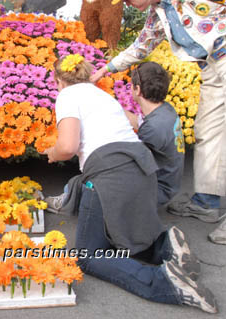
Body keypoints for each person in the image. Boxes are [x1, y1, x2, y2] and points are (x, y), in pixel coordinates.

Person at [43, 54, 217, 313]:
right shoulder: (101, 95)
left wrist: (53, 153)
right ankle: (166, 248)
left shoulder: (68, 96)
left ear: (58, 80)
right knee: (118, 239)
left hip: (110, 172)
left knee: (89, 257)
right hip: (142, 169)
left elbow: (68, 147)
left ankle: (166, 283)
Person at [92, 0, 226, 238]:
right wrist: (104, 70)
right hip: (210, 66)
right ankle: (207, 202)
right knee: (207, 132)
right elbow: (140, 47)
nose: (127, 5)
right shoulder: (159, 12)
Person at [125, 62, 185, 208]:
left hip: (157, 190)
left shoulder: (152, 128)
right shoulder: (166, 110)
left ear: (137, 89)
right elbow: (140, 123)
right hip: (170, 185)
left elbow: (134, 167)